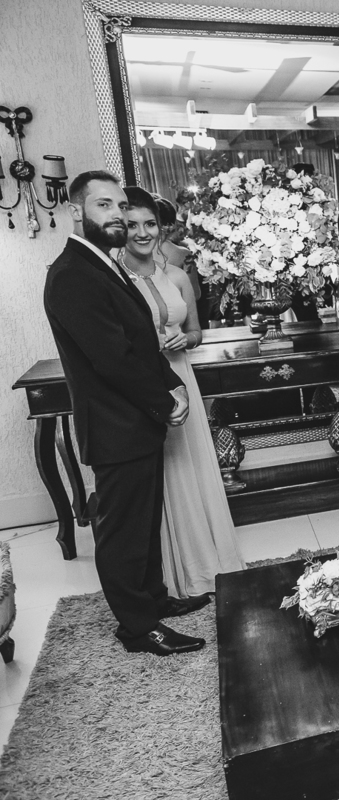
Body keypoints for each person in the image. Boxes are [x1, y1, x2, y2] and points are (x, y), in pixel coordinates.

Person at [43, 171, 207, 655]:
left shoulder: (104, 264)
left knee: (143, 521)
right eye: (103, 205)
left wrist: (172, 384)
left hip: (136, 420)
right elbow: (112, 358)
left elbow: (140, 342)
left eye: (119, 205)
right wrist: (164, 401)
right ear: (76, 211)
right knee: (121, 532)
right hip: (116, 425)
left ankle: (154, 599)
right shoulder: (72, 273)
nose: (116, 214)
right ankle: (138, 627)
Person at [118, 187, 244, 597]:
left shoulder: (176, 274)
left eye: (150, 224)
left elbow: (195, 331)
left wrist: (184, 340)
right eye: (132, 225)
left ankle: (205, 560)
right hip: (141, 380)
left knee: (190, 464)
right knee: (160, 471)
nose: (143, 233)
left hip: (179, 374)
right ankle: (166, 574)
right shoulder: (113, 279)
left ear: (161, 227)